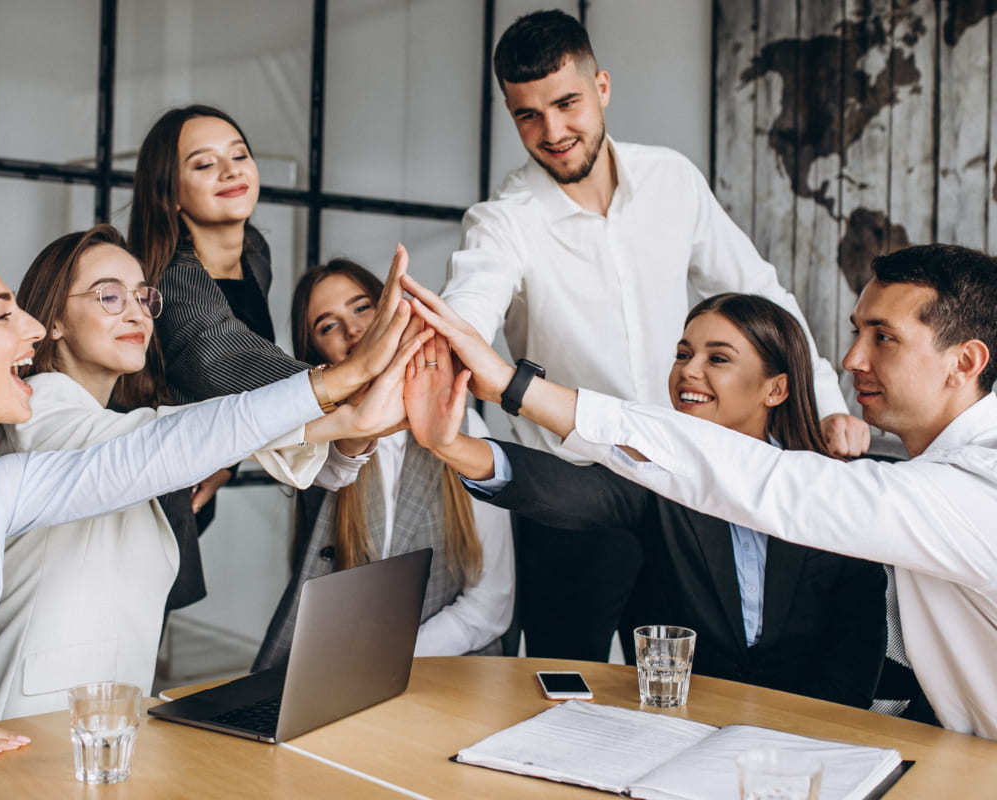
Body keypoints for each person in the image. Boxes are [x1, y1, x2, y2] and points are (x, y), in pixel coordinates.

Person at [0, 239, 427, 765]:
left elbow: (152, 451)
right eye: (1, 315)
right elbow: (158, 443)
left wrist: (339, 401)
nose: (34, 330)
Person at [401, 242, 997, 739]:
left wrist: (510, 383)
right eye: (684, 353)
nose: (848, 359)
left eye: (883, 337)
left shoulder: (971, 491)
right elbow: (586, 490)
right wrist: (454, 444)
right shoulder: (920, 479)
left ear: (965, 361)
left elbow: (761, 481)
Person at [437, 9, 867, 661]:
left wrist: (828, 405)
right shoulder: (504, 222)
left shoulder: (673, 180)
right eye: (528, 115)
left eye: (567, 103)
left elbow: (762, 292)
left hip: (677, 490)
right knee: (563, 686)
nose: (552, 132)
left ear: (601, 87)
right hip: (569, 497)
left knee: (687, 682)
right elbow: (466, 311)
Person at [0, 227, 405, 721]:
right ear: (54, 321)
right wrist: (340, 386)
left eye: (142, 296)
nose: (135, 312)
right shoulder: (40, 411)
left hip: (94, 733)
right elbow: (164, 442)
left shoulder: (122, 422)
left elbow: (319, 470)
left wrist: (355, 426)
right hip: (10, 724)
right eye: (108, 295)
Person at [405, 293, 886, 707]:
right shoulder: (659, 475)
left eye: (717, 359)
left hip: (810, 743)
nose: (688, 372)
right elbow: (569, 491)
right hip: (678, 730)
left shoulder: (830, 490)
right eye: (682, 354)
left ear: (775, 388)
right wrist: (450, 444)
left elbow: (856, 651)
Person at [128, 105, 389, 607]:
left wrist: (225, 458)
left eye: (239, 155)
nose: (230, 172)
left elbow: (236, 375)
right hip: (144, 481)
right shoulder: (171, 278)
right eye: (203, 165)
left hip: (198, 470)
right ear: (169, 191)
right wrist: (352, 379)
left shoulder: (254, 252)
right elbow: (227, 359)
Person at [253, 260, 514, 670]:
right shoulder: (319, 445)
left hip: (449, 670)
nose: (353, 331)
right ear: (315, 353)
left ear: (393, 310)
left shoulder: (465, 428)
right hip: (338, 668)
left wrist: (386, 658)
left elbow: (491, 604)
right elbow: (332, 465)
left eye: (362, 308)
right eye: (327, 326)